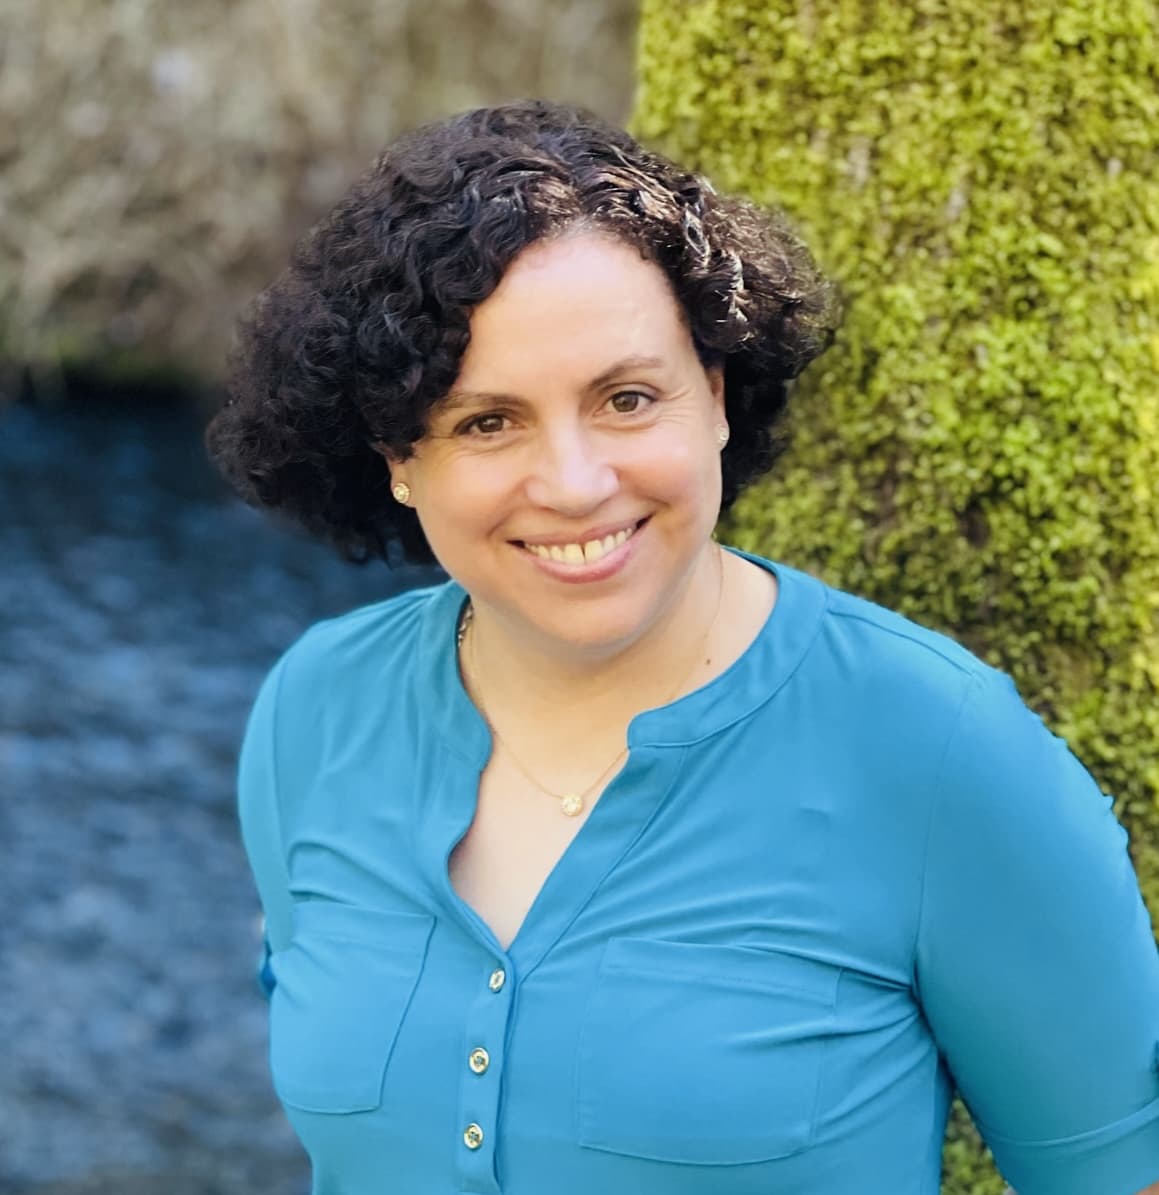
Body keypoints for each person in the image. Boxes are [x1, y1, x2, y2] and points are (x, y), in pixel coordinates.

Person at [205, 99, 1159, 1195]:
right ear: (397, 459)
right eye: (486, 421)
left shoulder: (941, 747)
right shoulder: (317, 707)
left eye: (625, 397)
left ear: (712, 395)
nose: (572, 483)